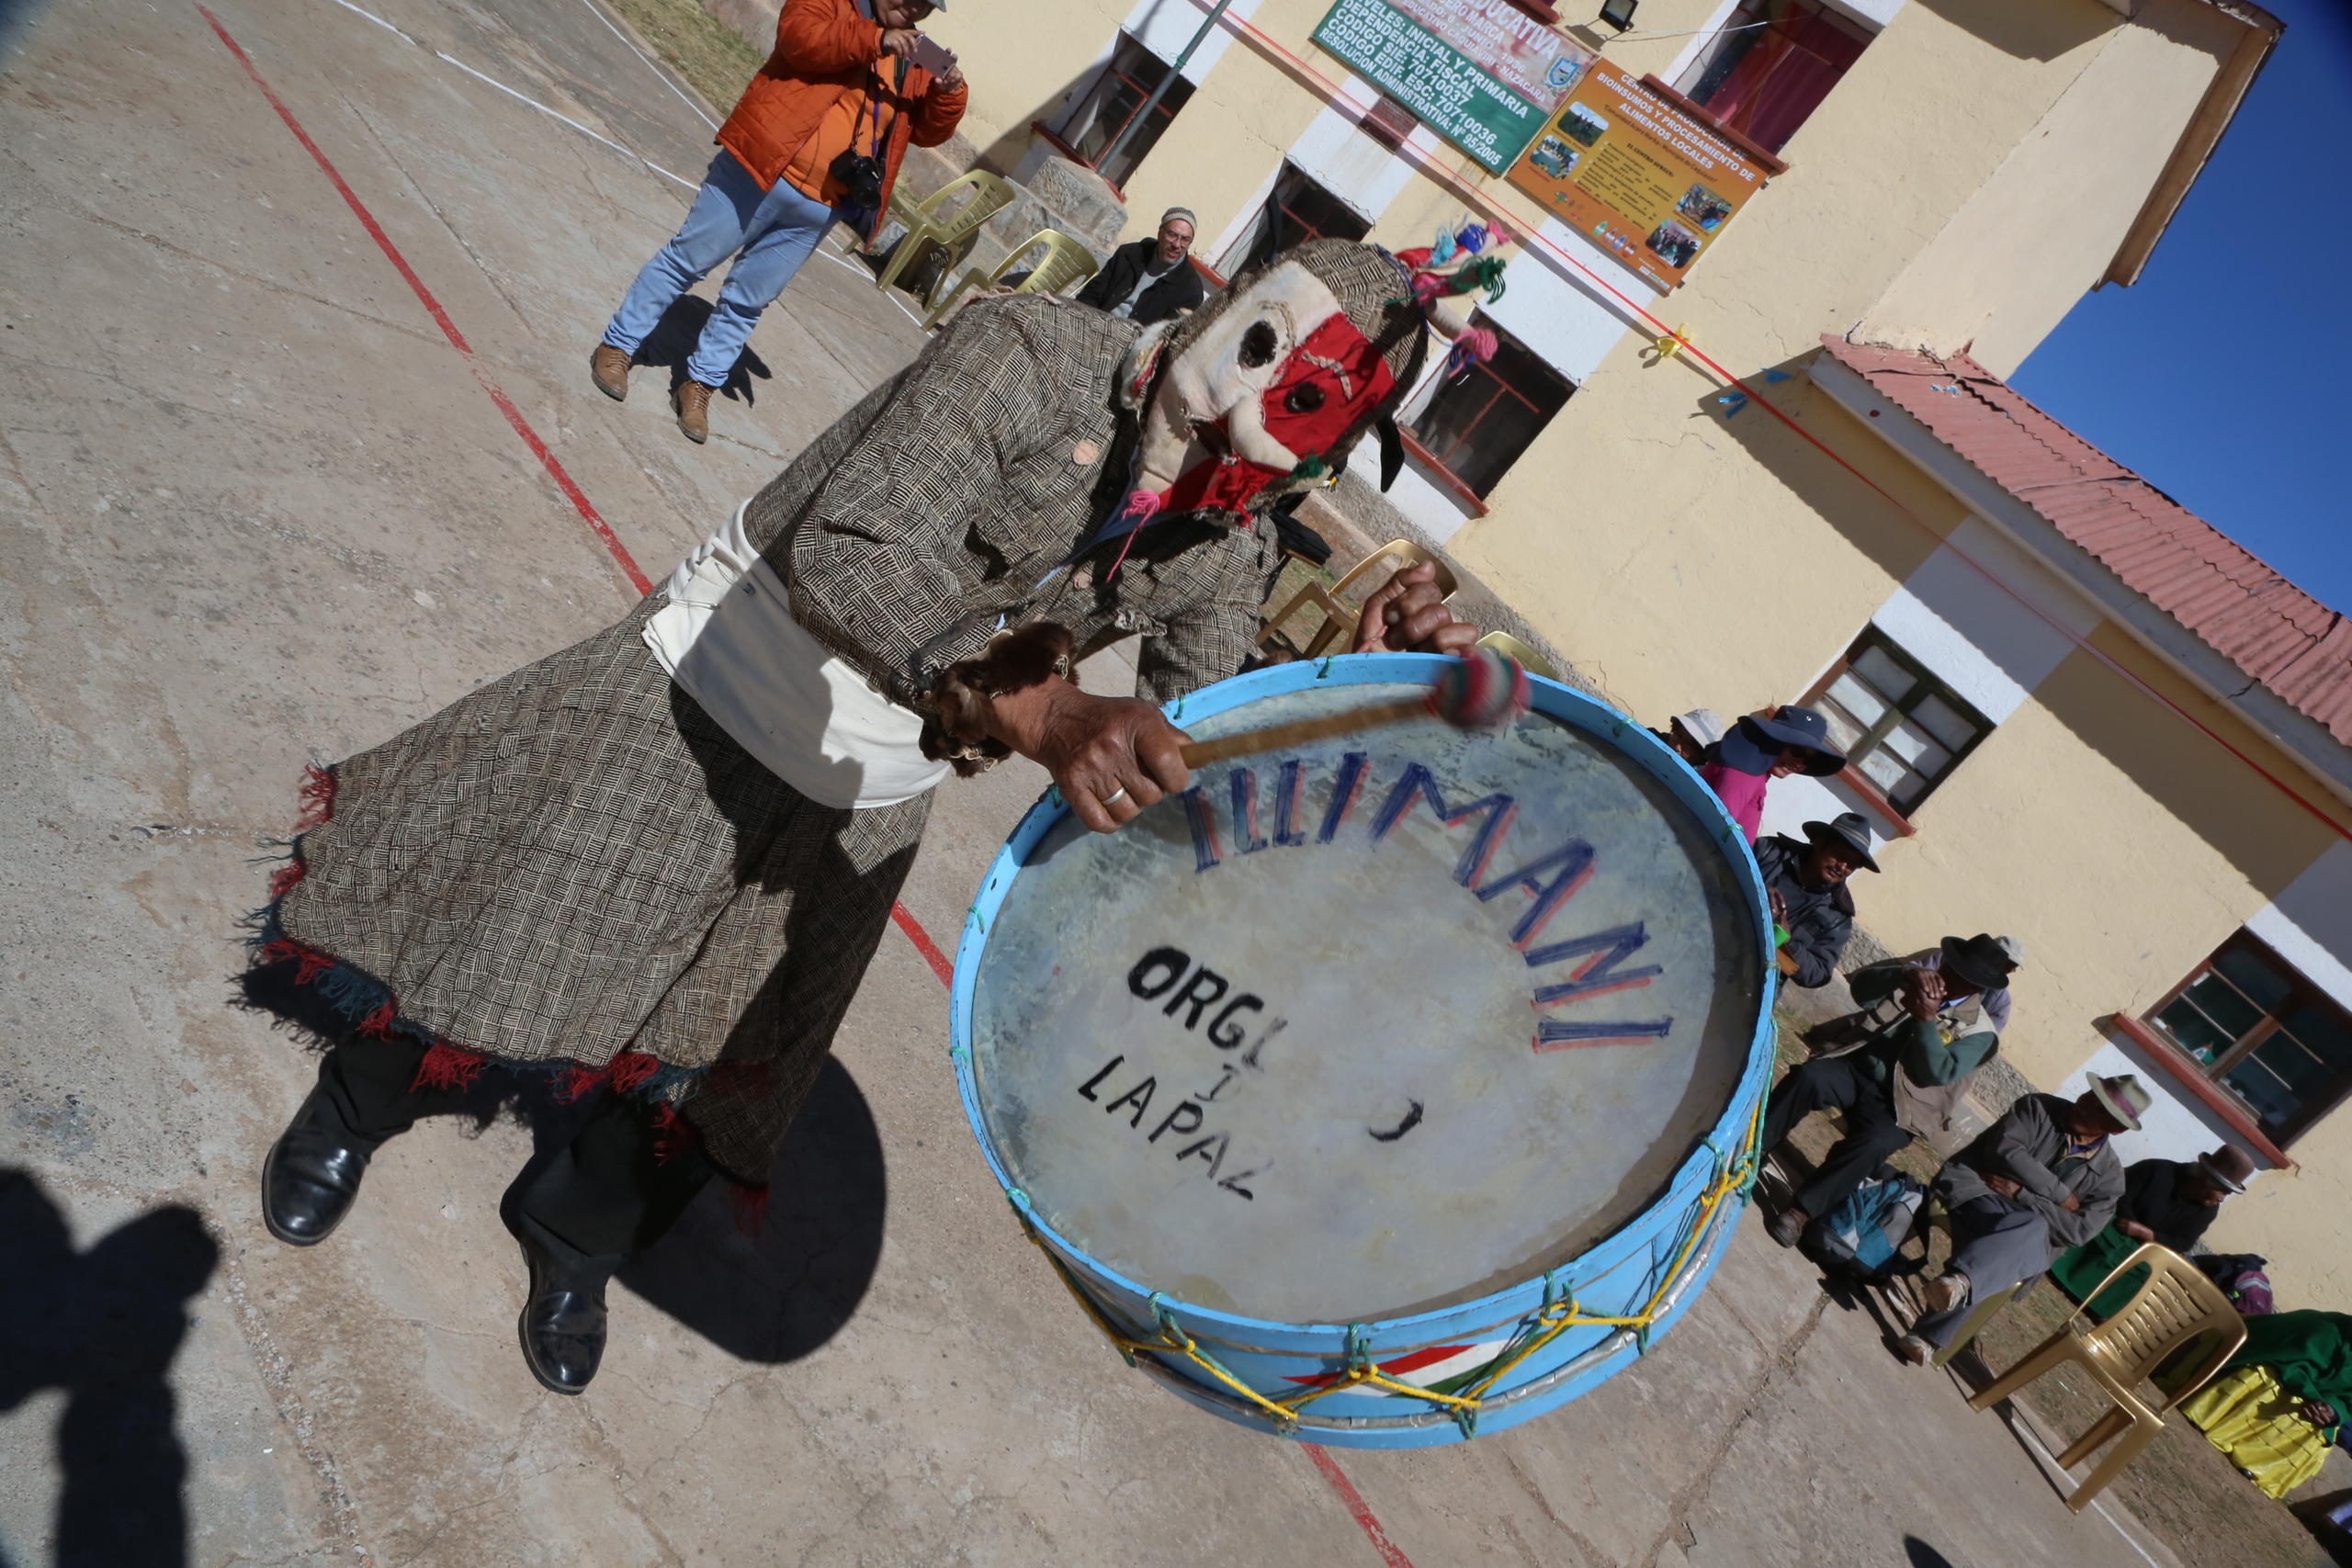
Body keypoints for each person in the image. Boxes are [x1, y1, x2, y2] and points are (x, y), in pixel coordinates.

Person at [247, 240, 1480, 1394]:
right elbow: (851, 543)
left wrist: (1364, 691)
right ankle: (353, 1107)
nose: (1256, 424)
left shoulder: (1231, 534)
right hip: (724, 678)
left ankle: (577, 1226)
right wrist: (1046, 711)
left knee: (720, 1045)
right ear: (1235, 315)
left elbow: (1202, 757)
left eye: (1326, 416)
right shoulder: (1032, 354)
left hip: (881, 775)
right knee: (533, 915)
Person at [589, 0, 967, 444]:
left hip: (820, 206)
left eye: (926, 4)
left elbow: (926, 132)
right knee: (684, 262)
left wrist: (948, 93)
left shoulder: (915, 55)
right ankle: (618, 345)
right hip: (759, 167)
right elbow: (799, 39)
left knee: (748, 303)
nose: (914, 7)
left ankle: (700, 384)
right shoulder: (833, 5)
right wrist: (875, 39)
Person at [1763, 933, 2015, 1247]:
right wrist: (1904, 973)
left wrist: (1925, 1020)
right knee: (1810, 1077)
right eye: (1951, 967)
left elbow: (1937, 1072)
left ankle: (1801, 1212)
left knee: (1875, 1143)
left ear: (1978, 988)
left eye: (1964, 977)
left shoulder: (1982, 1034)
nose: (1949, 977)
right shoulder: (1917, 978)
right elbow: (1860, 989)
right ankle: (1753, 1150)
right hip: (1859, 1068)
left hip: (1906, 1106)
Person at [1896, 1077, 2147, 1363]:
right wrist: (2061, 1197)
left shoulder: (2110, 1178)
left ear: (2116, 1129)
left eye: (2098, 1109)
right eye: (2090, 1096)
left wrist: (2023, 1195)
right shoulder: (2038, 1107)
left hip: (2026, 1235)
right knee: (2020, 1237)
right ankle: (1929, 1335)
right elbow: (2006, 1152)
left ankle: (1960, 1283)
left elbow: (2079, 1231)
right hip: (1977, 1191)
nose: (2084, 1106)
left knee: (2028, 1230)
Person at [2047, 1145, 2256, 1314]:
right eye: (2221, 1190)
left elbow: (2182, 1243)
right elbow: (2118, 1194)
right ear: (2203, 1178)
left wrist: (2148, 1234)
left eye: (2227, 1193)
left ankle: (2100, 1307)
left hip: (2144, 1246)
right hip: (2113, 1223)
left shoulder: (2206, 1212)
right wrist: (2127, 1222)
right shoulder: (2157, 1171)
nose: (2221, 1198)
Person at [2181, 1310, 2352, 1497]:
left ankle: (2255, 1466)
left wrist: (2332, 1410)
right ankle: (2206, 1416)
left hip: (2309, 1396)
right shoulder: (2325, 1330)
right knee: (2265, 1381)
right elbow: (2283, 1357)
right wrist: (2310, 1395)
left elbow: (2348, 1402)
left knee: (2316, 1430)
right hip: (2274, 1367)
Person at [1752, 811, 1875, 987]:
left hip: (1755, 981)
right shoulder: (1770, 853)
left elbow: (1818, 974)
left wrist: (1787, 942)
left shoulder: (1838, 916)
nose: (1842, 867)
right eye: (1839, 855)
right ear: (1819, 842)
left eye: (1851, 865)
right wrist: (1758, 891)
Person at [1695, 705, 1844, 843]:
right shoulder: (1744, 775)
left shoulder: (1751, 771)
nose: (1799, 764)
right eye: (1797, 752)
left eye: (1809, 759)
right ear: (1775, 740)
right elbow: (1713, 830)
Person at [1076, 208, 1207, 326]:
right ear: (1160, 232)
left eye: (1185, 239)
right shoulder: (1129, 254)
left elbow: (1164, 338)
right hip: (1095, 322)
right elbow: (1092, 294)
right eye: (1172, 235)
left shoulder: (1191, 290)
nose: (1177, 244)